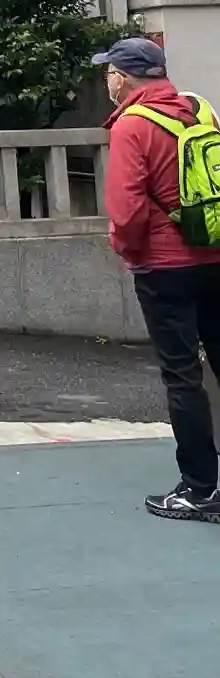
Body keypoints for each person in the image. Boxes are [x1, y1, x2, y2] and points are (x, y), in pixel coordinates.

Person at [96, 35, 220, 521]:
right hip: (215, 256)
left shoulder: (132, 124)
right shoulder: (199, 109)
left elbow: (126, 210)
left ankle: (200, 489)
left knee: (184, 376)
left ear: (123, 78)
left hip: (165, 268)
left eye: (109, 72)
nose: (107, 80)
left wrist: (129, 252)